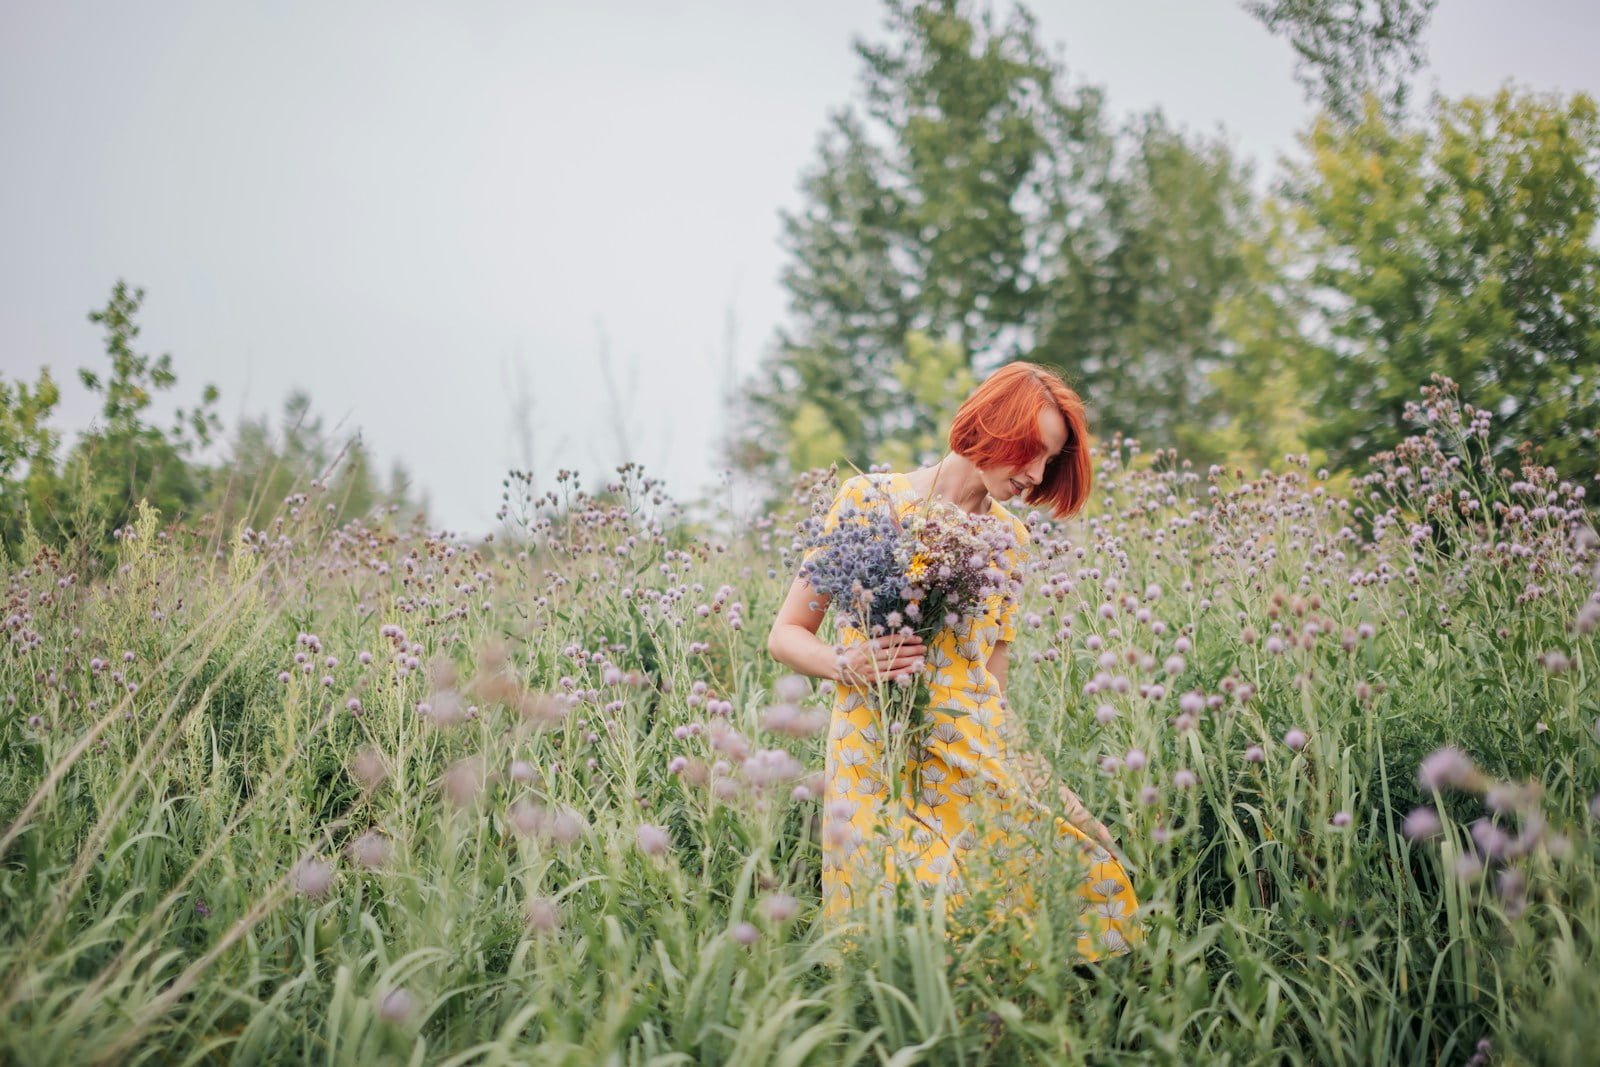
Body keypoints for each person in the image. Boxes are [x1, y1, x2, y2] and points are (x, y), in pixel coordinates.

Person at [767, 361, 1140, 962]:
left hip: (970, 756)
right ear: (991, 428)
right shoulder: (870, 501)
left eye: (1050, 461)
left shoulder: (1011, 541)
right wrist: (846, 662)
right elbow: (786, 634)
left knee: (1088, 884)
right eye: (1032, 453)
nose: (1037, 475)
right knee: (897, 936)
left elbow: (993, 692)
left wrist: (1063, 801)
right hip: (875, 760)